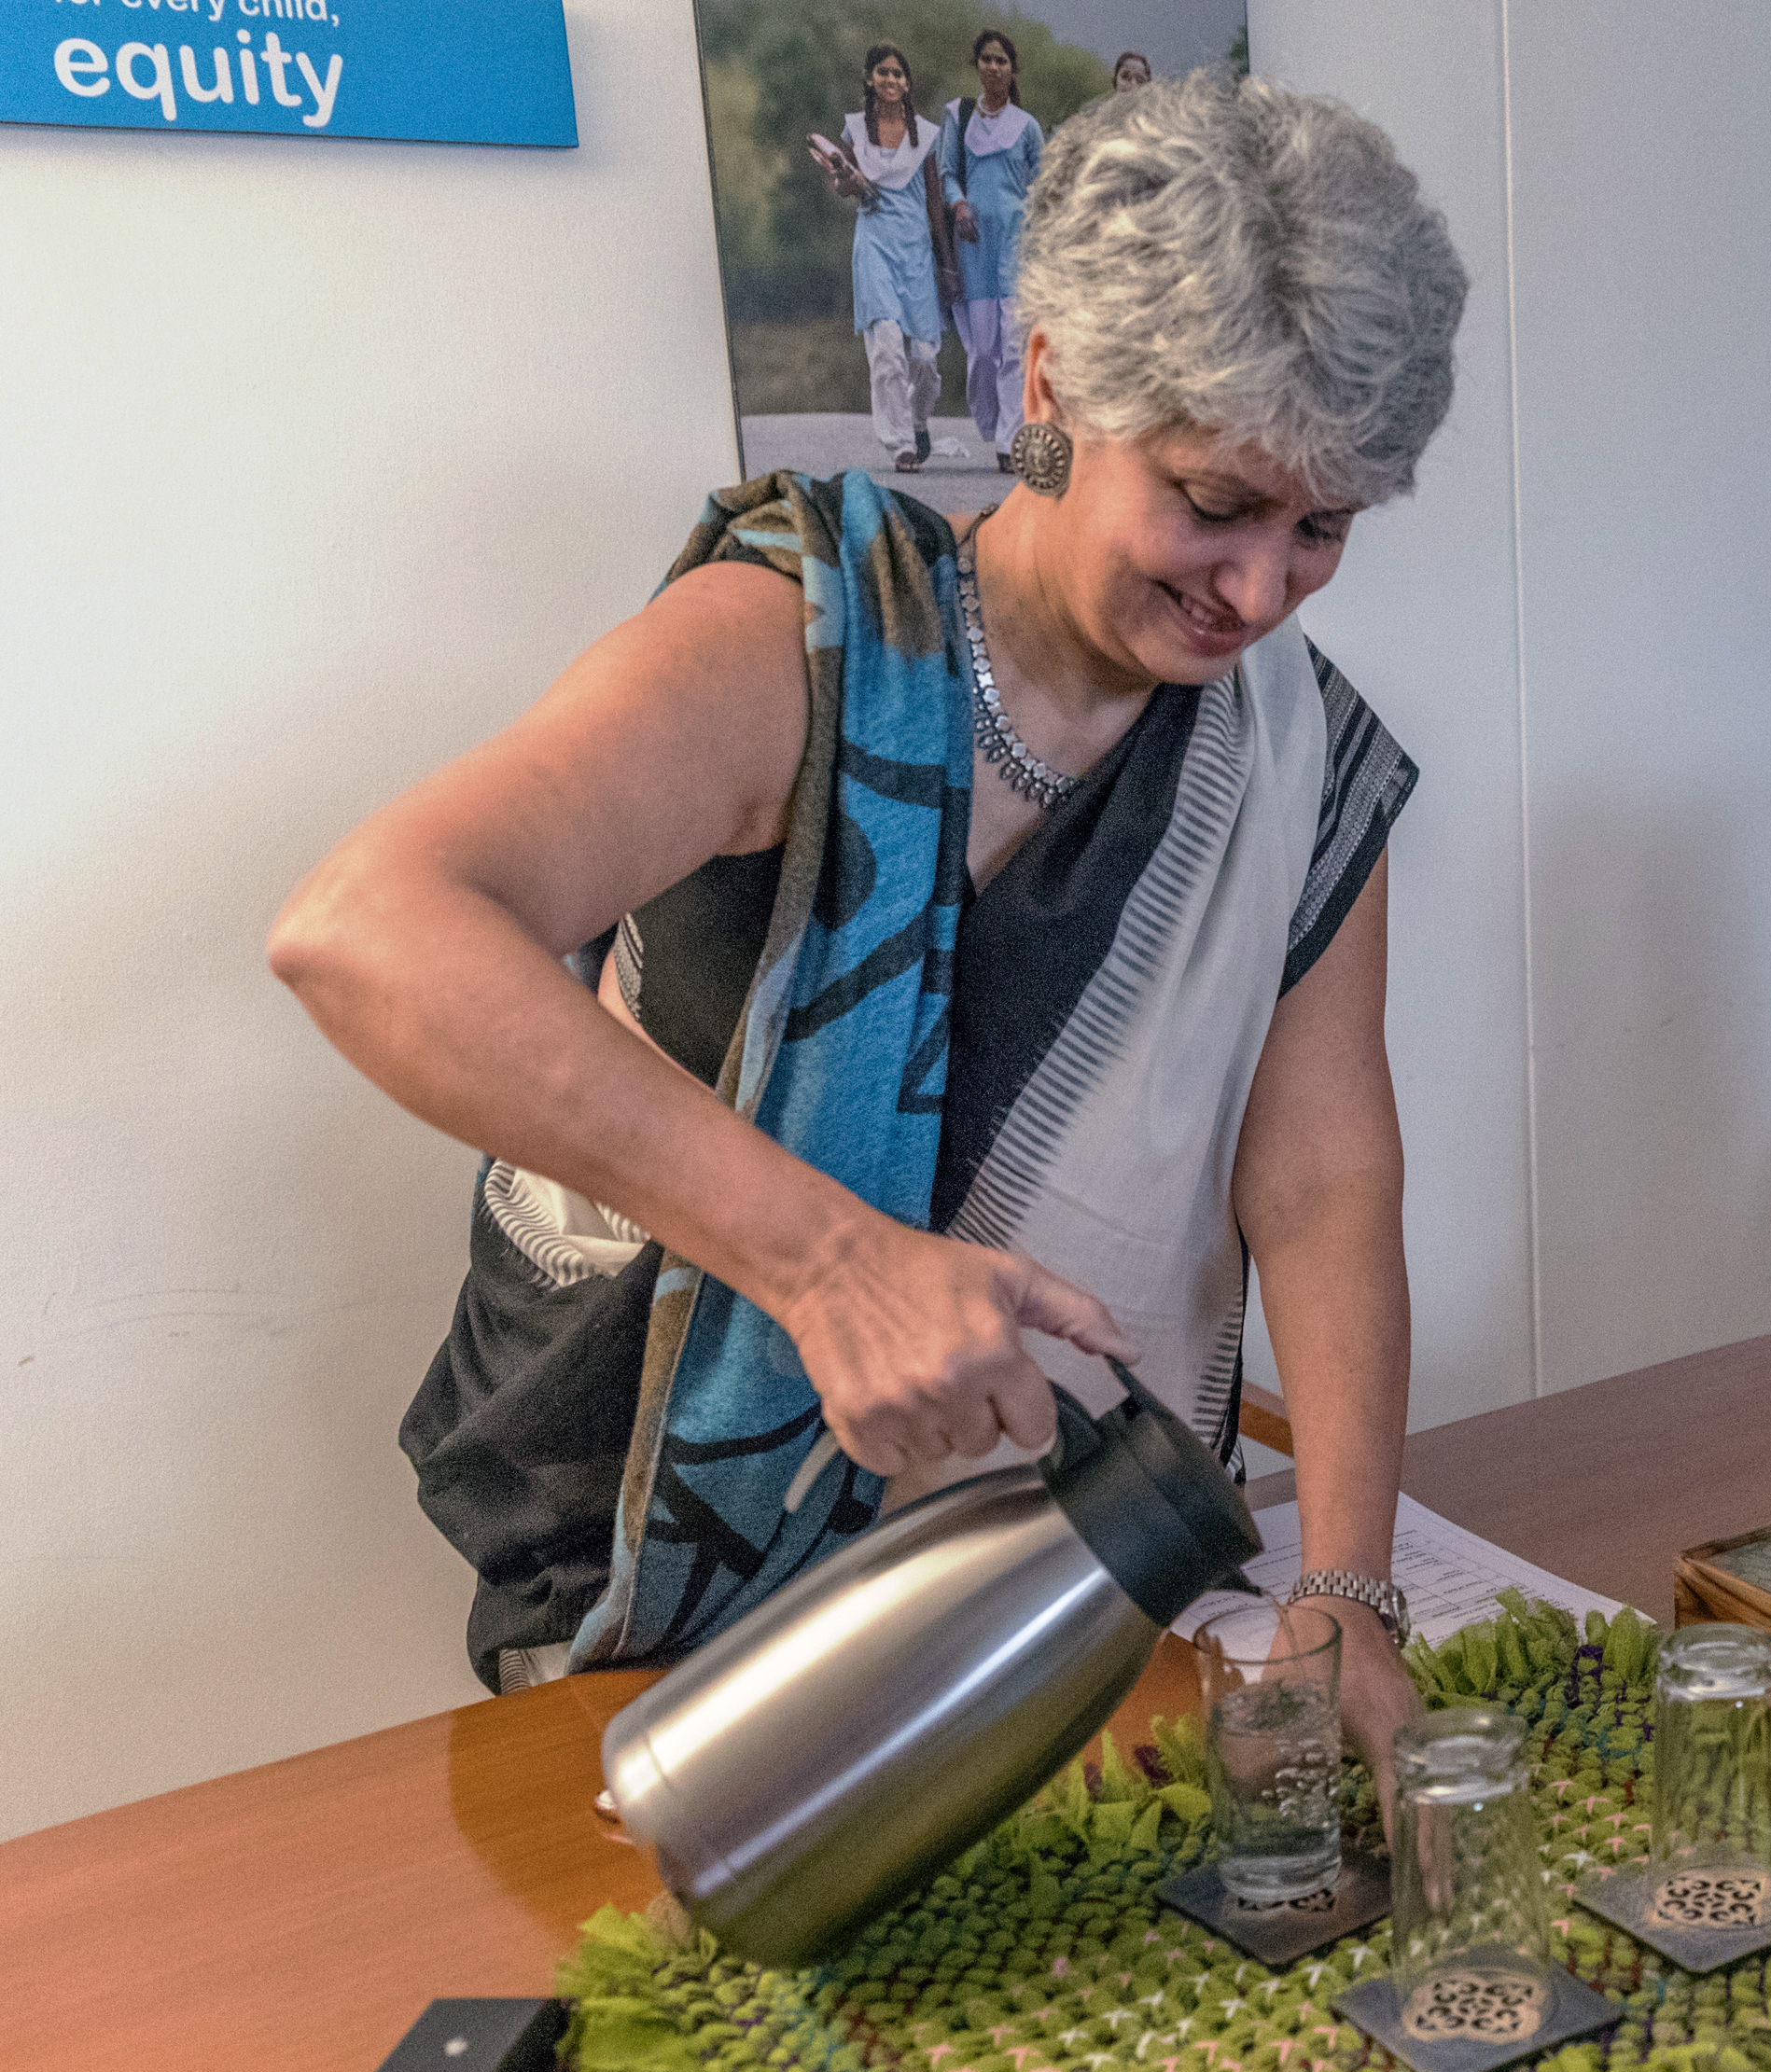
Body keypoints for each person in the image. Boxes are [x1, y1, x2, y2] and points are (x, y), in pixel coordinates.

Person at [268, 73, 1468, 1784]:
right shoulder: (799, 645)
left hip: (1068, 1597)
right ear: (1053, 383)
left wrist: (1348, 1584)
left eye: (1322, 528)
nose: (1261, 594)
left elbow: (1326, 1176)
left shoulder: (1294, 757)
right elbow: (370, 927)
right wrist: (830, 1266)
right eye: (1212, 501)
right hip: (676, 1598)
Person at [816, 44, 960, 475]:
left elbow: (935, 201)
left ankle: (917, 420)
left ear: (907, 83)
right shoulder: (855, 130)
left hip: (915, 253)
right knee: (888, 350)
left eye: (899, 73)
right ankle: (899, 444)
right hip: (874, 246)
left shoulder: (927, 135)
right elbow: (846, 189)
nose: (891, 79)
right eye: (883, 72)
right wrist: (847, 180)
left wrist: (946, 262)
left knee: (925, 363)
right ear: (869, 79)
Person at [945, 30, 1043, 468]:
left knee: (1013, 345)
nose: (993, 67)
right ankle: (990, 420)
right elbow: (947, 172)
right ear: (977, 65)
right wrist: (958, 204)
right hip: (973, 244)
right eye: (986, 59)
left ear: (1013, 69)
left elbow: (1043, 188)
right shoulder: (958, 117)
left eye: (1001, 61)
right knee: (983, 347)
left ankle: (1010, 442)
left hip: (1016, 243)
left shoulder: (1027, 126)